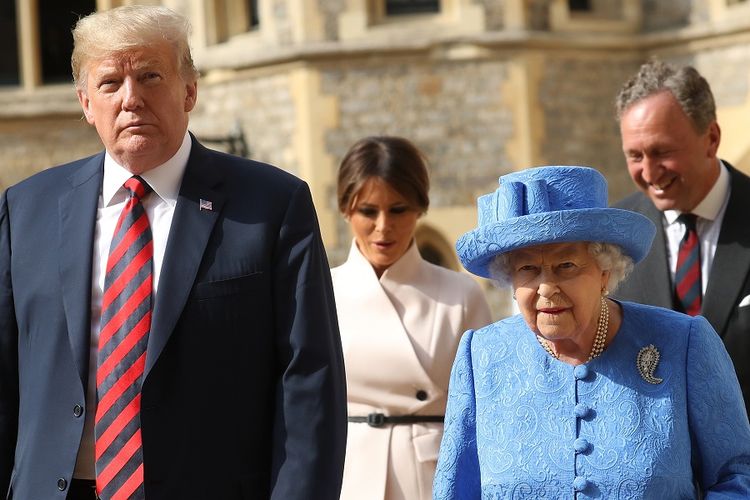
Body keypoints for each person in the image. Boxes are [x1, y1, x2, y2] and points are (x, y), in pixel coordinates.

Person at [0, 5, 346, 500]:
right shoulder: (26, 209)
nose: (130, 99)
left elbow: (309, 383)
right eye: (109, 84)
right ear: (84, 102)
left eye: (149, 76)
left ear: (189, 91)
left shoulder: (270, 206)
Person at [433, 165, 750, 498]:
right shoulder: (481, 355)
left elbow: (738, 475)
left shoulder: (682, 342)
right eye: (528, 269)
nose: (546, 288)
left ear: (604, 271)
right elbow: (455, 489)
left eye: (565, 266)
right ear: (510, 280)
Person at [331, 136, 491, 500]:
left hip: (432, 476)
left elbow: (487, 408)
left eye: (399, 209)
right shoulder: (322, 291)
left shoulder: (461, 295)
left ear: (420, 209)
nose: (383, 226)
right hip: (347, 475)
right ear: (345, 210)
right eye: (368, 211)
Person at [614, 60, 750, 410]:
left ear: (712, 139)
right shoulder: (613, 238)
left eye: (662, 152)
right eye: (635, 155)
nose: (648, 172)